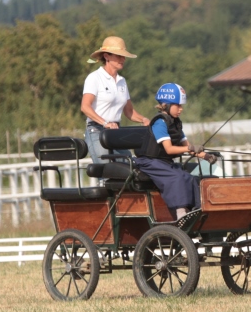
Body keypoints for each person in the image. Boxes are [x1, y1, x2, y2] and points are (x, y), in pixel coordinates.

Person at [135, 83, 217, 220]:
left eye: (181, 106)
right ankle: (180, 214)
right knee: (177, 178)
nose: (181, 109)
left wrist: (206, 156)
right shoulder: (159, 122)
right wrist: (189, 148)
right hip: (149, 162)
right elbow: (169, 149)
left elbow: (188, 146)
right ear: (166, 105)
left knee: (189, 178)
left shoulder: (176, 123)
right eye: (178, 105)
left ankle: (196, 210)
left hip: (164, 162)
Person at [80, 36, 150, 163]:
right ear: (106, 56)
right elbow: (85, 106)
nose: (123, 59)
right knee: (106, 171)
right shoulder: (94, 78)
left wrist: (144, 120)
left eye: (123, 56)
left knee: (128, 166)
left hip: (116, 131)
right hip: (96, 130)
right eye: (119, 56)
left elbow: (129, 111)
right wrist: (105, 123)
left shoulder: (122, 81)